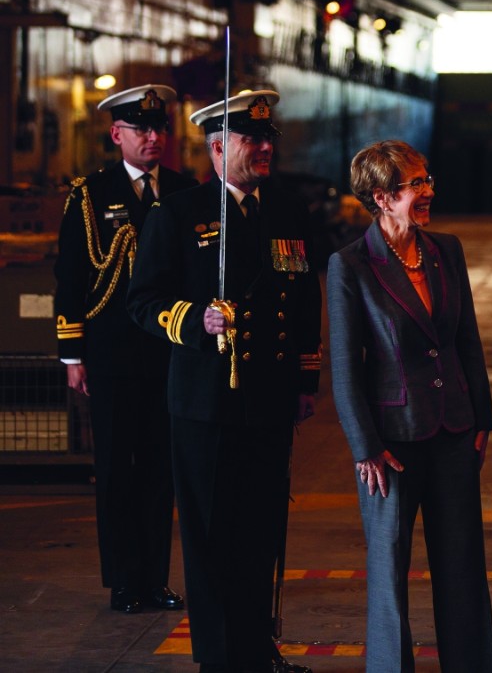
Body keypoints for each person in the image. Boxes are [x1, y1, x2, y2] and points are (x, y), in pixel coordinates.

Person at [128, 91, 322, 673]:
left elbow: (305, 298)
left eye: (268, 139)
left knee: (261, 532)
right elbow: (144, 301)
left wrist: (305, 380)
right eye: (250, 140)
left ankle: (256, 651)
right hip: (206, 403)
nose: (265, 148)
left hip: (268, 399)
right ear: (218, 148)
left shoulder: (286, 212)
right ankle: (219, 659)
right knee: (213, 538)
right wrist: (195, 320)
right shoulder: (179, 214)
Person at [327, 140, 492, 673]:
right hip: (391, 445)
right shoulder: (350, 266)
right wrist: (365, 447)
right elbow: (345, 365)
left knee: (462, 566)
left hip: (453, 430)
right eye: (415, 185)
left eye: (427, 180)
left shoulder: (447, 249)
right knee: (388, 571)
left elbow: (466, 339)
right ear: (382, 197)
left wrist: (481, 419)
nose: (428, 192)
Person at [54, 84, 196, 614]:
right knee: (117, 467)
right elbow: (69, 276)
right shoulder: (90, 195)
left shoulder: (183, 193)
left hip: (168, 354)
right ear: (118, 135)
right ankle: (123, 581)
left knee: (161, 469)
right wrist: (72, 354)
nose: (154, 138)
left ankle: (156, 578)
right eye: (142, 130)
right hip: (111, 356)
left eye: (160, 129)